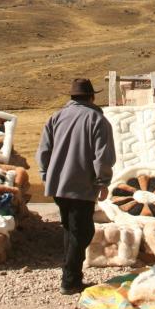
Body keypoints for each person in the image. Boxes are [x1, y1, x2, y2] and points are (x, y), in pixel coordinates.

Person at [36, 77, 116, 294]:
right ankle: (70, 281)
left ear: (72, 97)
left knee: (70, 229)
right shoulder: (97, 120)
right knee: (82, 232)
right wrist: (103, 182)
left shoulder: (56, 117)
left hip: (58, 185)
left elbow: (43, 151)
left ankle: (71, 276)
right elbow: (103, 157)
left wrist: (45, 175)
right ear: (91, 97)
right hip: (82, 184)